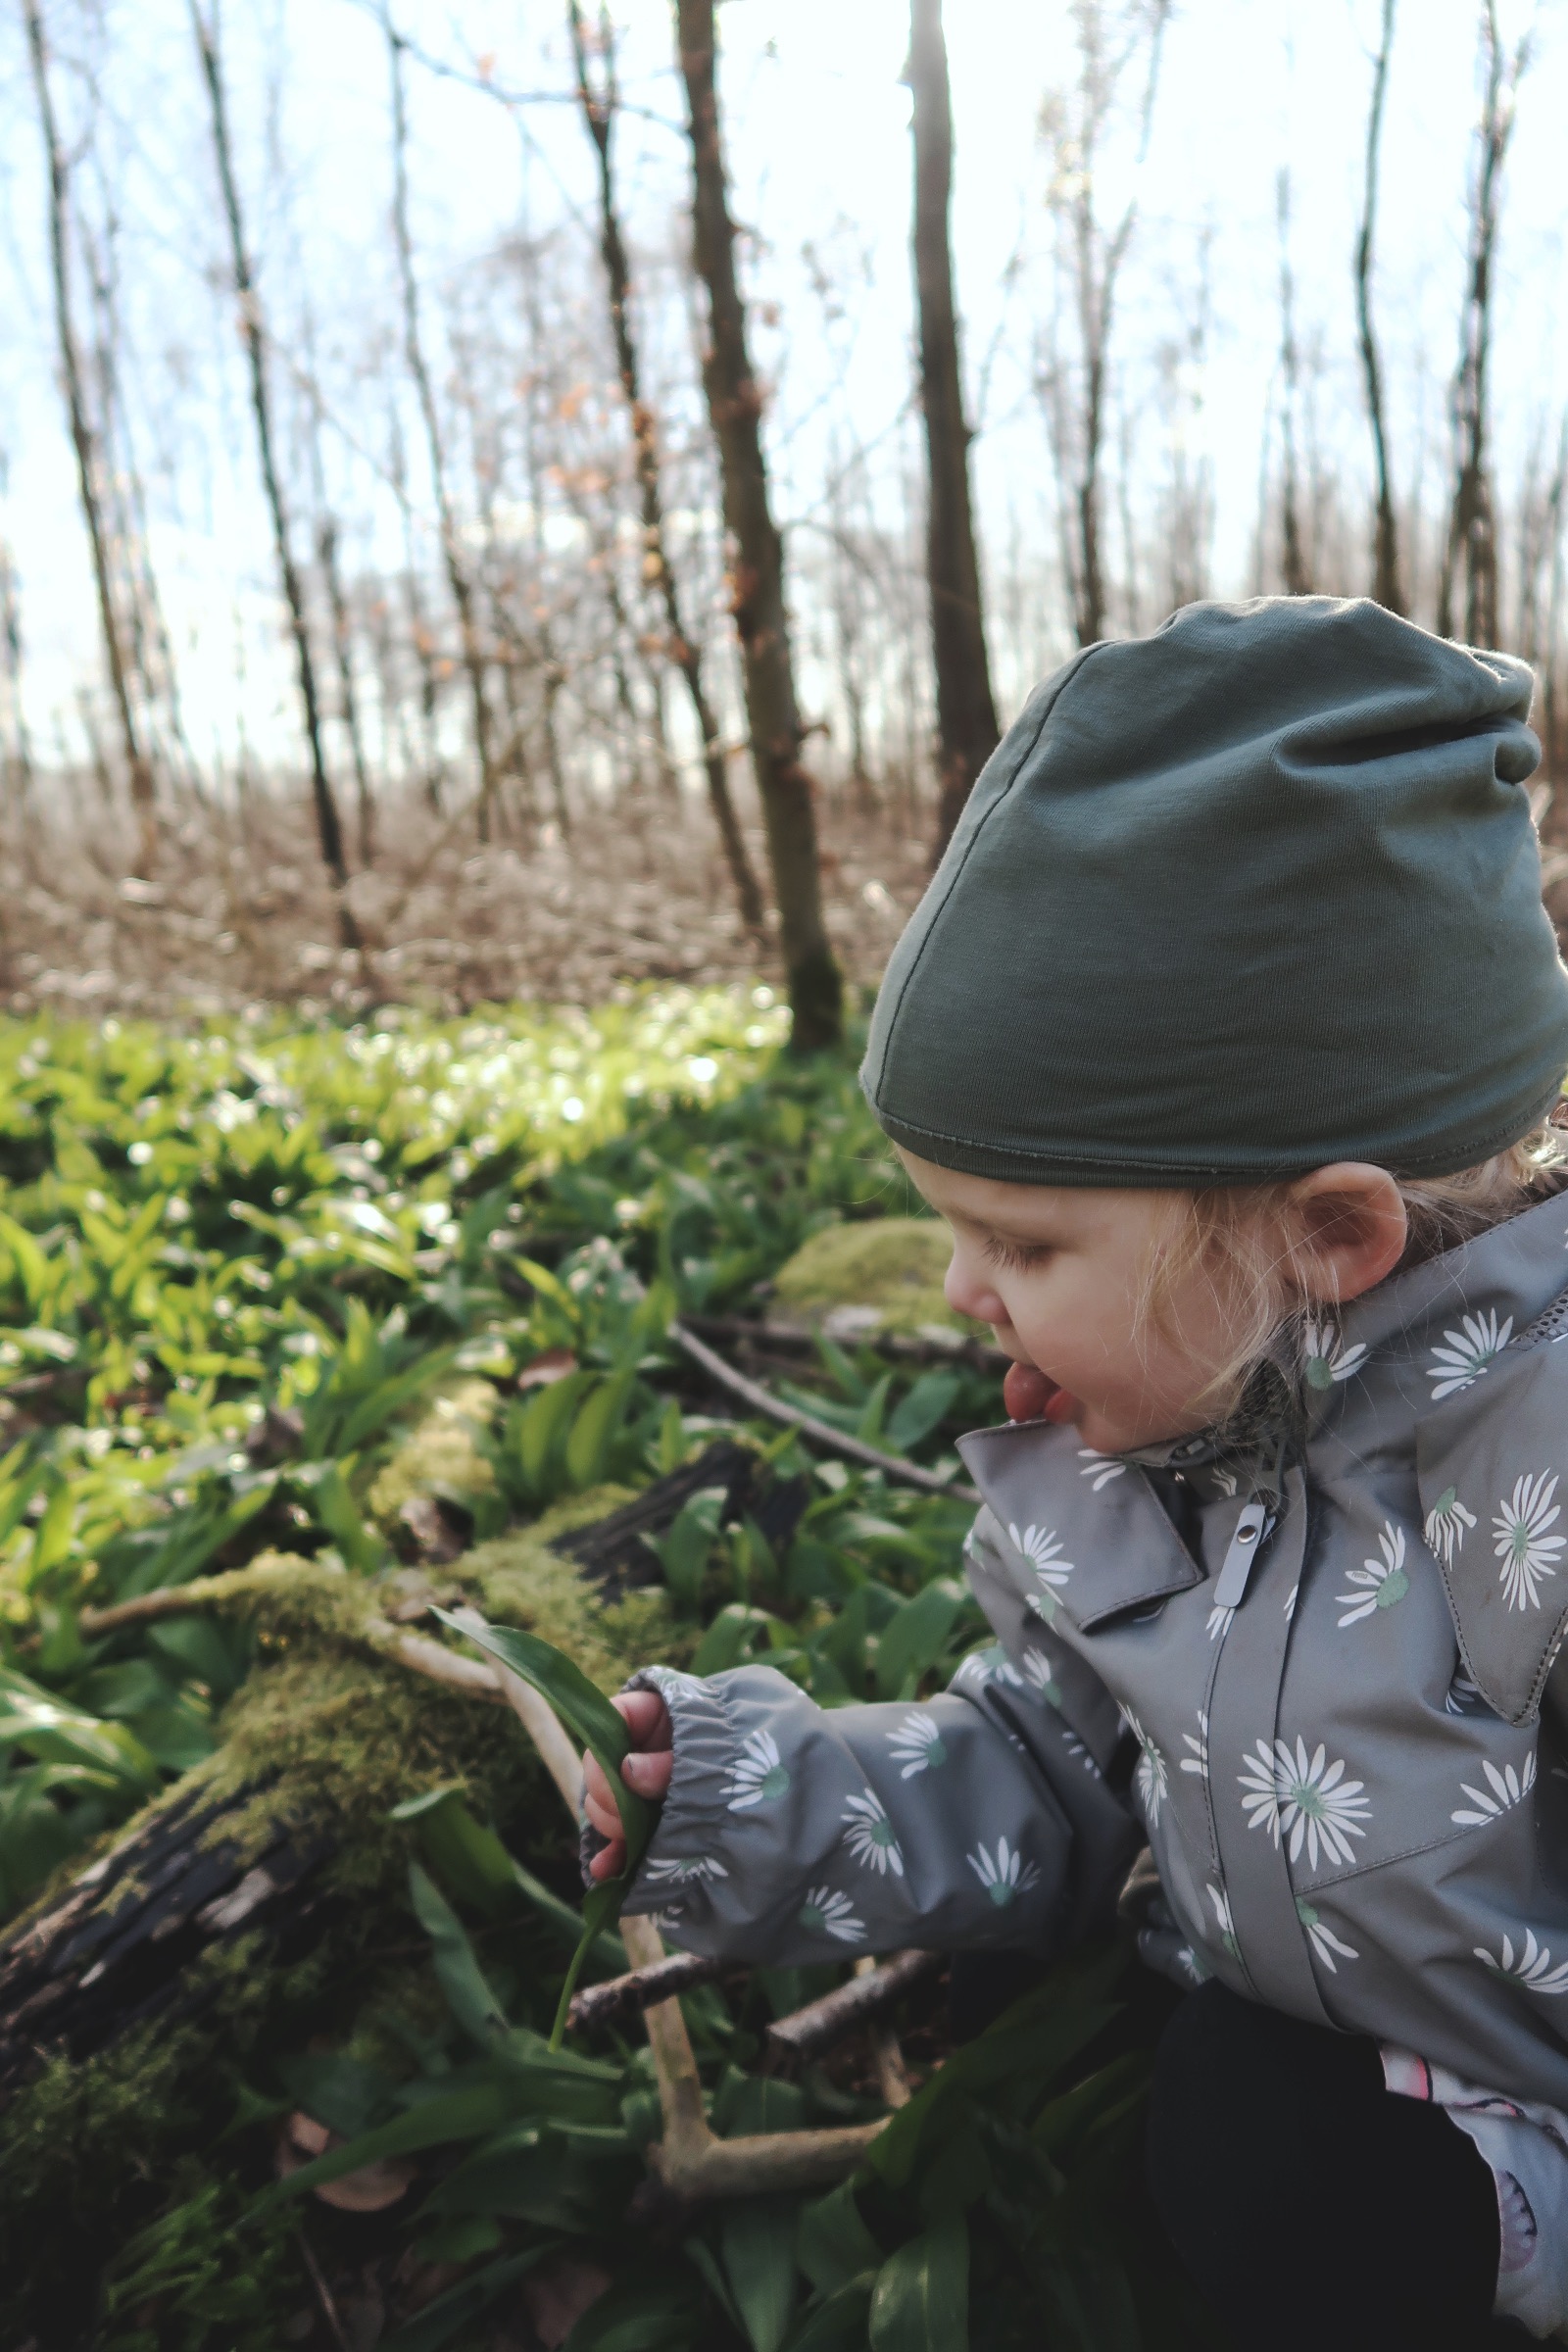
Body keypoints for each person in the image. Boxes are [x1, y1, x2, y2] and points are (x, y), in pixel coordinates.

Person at [581, 598, 1568, 2347]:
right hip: (1302, 2023)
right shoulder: (1145, 1431)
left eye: (1022, 1244)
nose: (963, 1295)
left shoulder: (1532, 1492)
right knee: (1196, 2084)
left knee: (1258, 2149)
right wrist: (756, 1798)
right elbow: (1050, 1768)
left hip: (1521, 2136)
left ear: (1324, 1233)